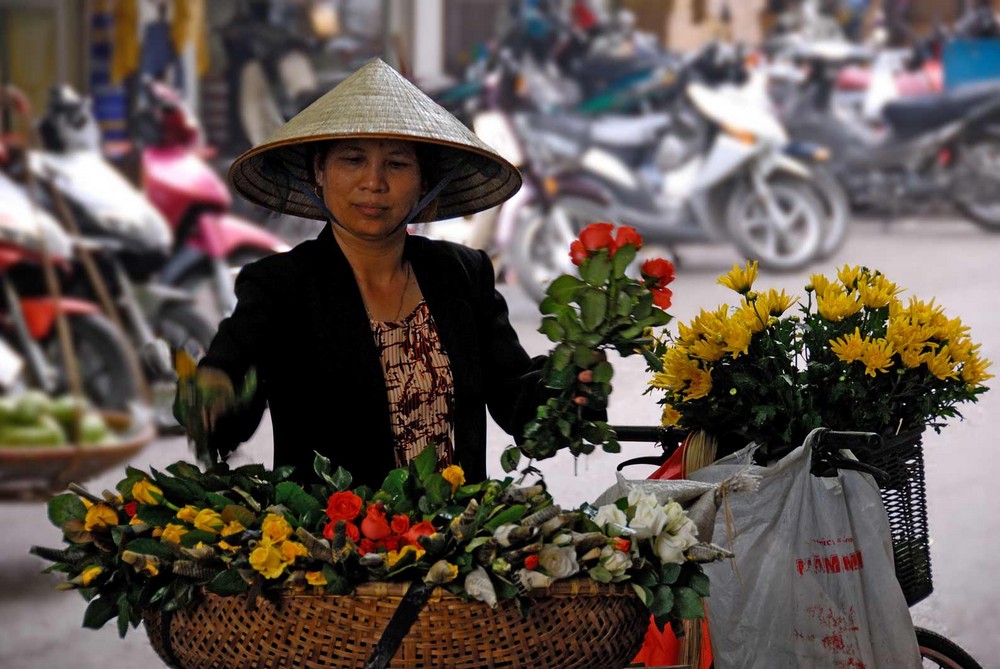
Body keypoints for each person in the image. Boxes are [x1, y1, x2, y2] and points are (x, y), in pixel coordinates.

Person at [187, 58, 595, 489]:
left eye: (397, 164)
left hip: (456, 540)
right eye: (353, 159)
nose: (374, 182)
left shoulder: (463, 273)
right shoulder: (279, 285)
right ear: (318, 173)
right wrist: (211, 398)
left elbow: (517, 398)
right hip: (328, 545)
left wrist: (571, 382)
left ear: (423, 181)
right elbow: (230, 399)